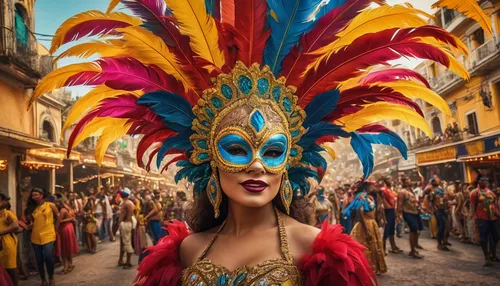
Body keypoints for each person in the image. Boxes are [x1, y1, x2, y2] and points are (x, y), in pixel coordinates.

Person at [40, 0, 479, 284]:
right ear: (207, 158)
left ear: (290, 160)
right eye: (236, 148)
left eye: (272, 152)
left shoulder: (320, 253)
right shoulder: (185, 252)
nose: (257, 166)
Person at [347, 182, 387, 275]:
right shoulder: (362, 196)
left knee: (373, 245)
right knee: (367, 245)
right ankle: (367, 268)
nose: (373, 187)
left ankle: (373, 267)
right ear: (366, 187)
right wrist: (366, 229)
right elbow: (361, 211)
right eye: (371, 186)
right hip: (366, 223)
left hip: (372, 223)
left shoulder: (370, 197)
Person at [26, 187, 59, 286]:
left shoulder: (50, 205)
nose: (34, 197)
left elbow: (57, 217)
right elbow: (32, 223)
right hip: (35, 236)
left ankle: (51, 277)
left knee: (48, 257)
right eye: (33, 195)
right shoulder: (32, 209)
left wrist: (56, 229)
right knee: (39, 259)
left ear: (41, 195)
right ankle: (43, 279)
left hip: (48, 234)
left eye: (36, 194)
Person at [470, 176, 499, 266]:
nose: (486, 182)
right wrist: (474, 216)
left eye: (486, 181)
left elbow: (495, 202)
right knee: (483, 238)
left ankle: (492, 253)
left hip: (493, 217)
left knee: (496, 236)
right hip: (482, 218)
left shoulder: (489, 191)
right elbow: (472, 205)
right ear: (480, 182)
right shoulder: (474, 192)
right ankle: (486, 257)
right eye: (484, 181)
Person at [397, 177, 423, 259]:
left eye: (409, 179)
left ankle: (414, 248)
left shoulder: (410, 190)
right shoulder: (402, 192)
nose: (410, 181)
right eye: (407, 180)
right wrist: (399, 216)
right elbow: (399, 205)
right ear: (404, 182)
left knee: (417, 230)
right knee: (413, 230)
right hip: (408, 213)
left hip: (415, 212)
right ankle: (412, 251)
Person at [54, 194, 79, 274]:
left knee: (63, 249)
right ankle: (70, 264)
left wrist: (55, 230)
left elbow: (58, 223)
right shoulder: (68, 208)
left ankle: (65, 267)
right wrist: (69, 219)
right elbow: (73, 217)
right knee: (68, 248)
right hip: (69, 228)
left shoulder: (62, 211)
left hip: (64, 229)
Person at [0, 194, 19, 286]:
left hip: (7, 243)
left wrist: (1, 232)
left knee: (10, 268)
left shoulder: (8, 213)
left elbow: (15, 226)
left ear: (4, 202)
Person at [380, 178, 402, 254]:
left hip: (392, 210)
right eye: (389, 180)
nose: (391, 181)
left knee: (392, 230)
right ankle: (383, 248)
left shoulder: (391, 190)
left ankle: (393, 247)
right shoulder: (383, 189)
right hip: (388, 211)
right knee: (387, 229)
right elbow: (382, 199)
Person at [429, 177, 451, 251]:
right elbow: (434, 201)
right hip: (440, 210)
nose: (438, 180)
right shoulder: (434, 191)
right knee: (443, 226)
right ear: (433, 182)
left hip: (443, 210)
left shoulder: (439, 189)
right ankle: (439, 244)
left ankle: (444, 241)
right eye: (436, 180)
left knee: (445, 226)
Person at [118, 188, 135, 270]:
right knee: (126, 242)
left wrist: (119, 223)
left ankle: (128, 262)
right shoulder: (130, 203)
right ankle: (125, 261)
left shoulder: (125, 203)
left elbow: (122, 216)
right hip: (129, 223)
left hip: (125, 223)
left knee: (127, 243)